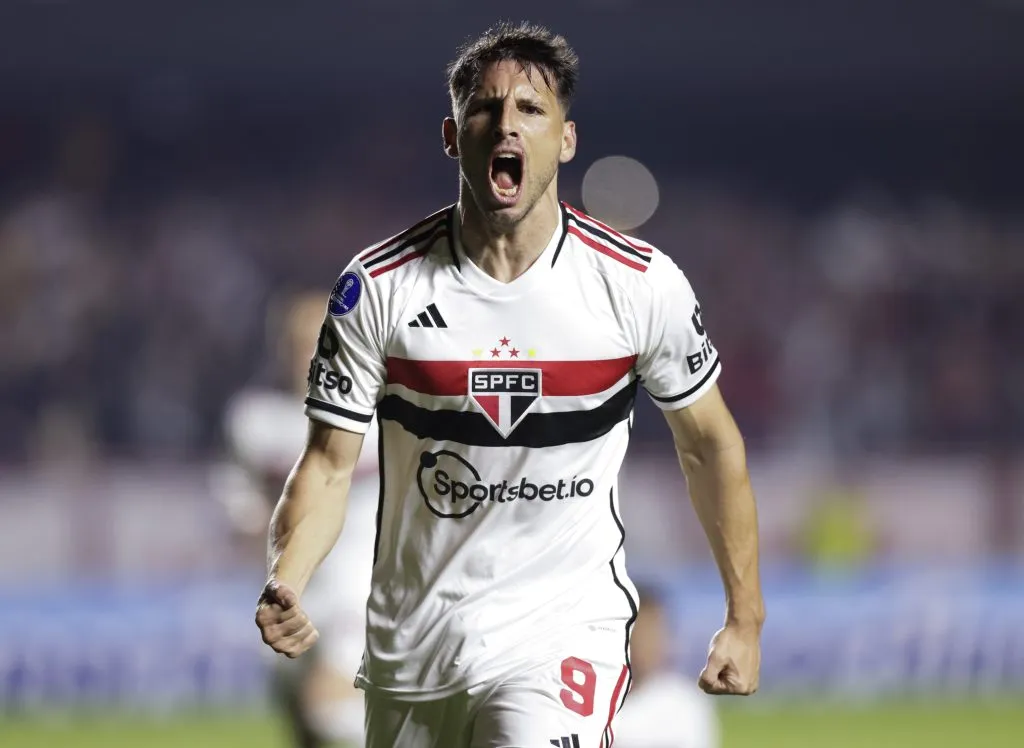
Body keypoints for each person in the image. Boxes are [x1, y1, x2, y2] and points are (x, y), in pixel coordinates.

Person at [255, 21, 764, 747]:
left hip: (562, 633)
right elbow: (329, 465)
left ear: (566, 139)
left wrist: (745, 616)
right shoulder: (378, 288)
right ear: (451, 136)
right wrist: (288, 578)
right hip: (413, 647)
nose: (507, 125)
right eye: (485, 109)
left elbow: (710, 445)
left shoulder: (638, 285)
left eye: (531, 109)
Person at [223, 292, 379, 747]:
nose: (309, 356)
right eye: (298, 344)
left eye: (320, 343)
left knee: (326, 705)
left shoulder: (380, 416)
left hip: (359, 587)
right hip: (292, 588)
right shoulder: (255, 422)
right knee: (304, 723)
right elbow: (242, 506)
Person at [614, 584, 720, 748]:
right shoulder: (590, 699)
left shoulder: (686, 704)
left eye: (652, 633)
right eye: (638, 633)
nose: (645, 643)